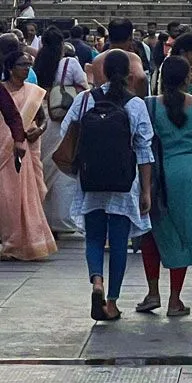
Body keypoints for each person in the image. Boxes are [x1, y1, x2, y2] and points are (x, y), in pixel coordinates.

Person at [60, 49, 153, 321]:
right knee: (119, 243)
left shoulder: (85, 99)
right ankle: (112, 302)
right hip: (124, 183)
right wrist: (146, 190)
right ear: (129, 74)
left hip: (91, 180)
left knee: (95, 237)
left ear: (100, 72)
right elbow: (145, 151)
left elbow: (69, 132)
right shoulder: (135, 104)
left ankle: (97, 281)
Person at [136, 56, 192, 318]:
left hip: (156, 173)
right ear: (187, 79)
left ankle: (152, 292)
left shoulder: (149, 106)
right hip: (191, 174)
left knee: (153, 233)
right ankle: (175, 300)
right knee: (183, 234)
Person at [0, 46, 57, 261]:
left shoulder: (33, 92)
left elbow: (41, 118)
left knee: (22, 197)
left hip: (23, 150)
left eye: (28, 65)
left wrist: (38, 131)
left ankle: (24, 243)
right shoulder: (3, 90)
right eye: (22, 65)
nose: (26, 69)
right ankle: (9, 241)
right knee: (6, 199)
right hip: (4, 148)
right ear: (10, 68)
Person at [33, 25, 88, 234]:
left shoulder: (37, 62)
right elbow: (83, 85)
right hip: (61, 119)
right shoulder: (69, 63)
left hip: (42, 117)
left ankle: (41, 216)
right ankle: (62, 220)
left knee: (43, 167)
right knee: (62, 169)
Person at [89, 18, 148, 98]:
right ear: (130, 38)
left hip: (101, 103)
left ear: (109, 37)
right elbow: (141, 77)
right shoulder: (132, 58)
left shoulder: (97, 60)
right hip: (126, 104)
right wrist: (140, 98)